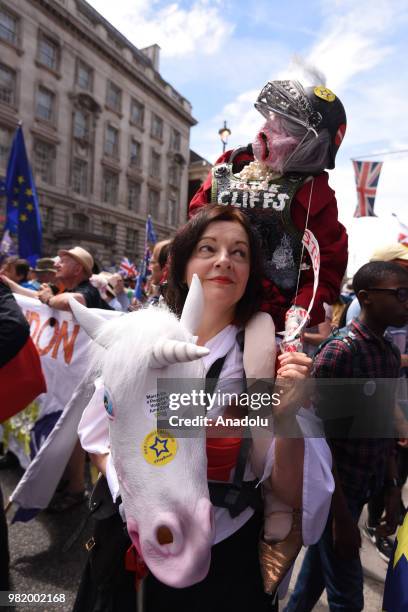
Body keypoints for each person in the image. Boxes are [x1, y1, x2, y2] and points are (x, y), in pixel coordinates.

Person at [73, 205, 333, 612]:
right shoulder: (139, 337)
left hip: (222, 554)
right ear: (181, 264)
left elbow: (285, 490)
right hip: (129, 538)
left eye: (240, 252)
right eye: (208, 247)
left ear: (250, 275)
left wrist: (287, 415)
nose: (224, 260)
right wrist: (131, 492)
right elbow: (98, 435)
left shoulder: (265, 361)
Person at [285, 261, 408, 612]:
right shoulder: (341, 353)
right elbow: (318, 444)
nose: (407, 303)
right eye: (400, 295)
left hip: (361, 488)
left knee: (310, 585)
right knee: (347, 598)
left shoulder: (386, 355)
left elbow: (381, 425)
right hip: (334, 496)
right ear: (366, 298)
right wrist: (340, 517)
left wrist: (390, 488)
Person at [190, 80, 348, 347]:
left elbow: (326, 268)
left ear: (314, 144)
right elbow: (194, 229)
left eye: (288, 125)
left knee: (260, 375)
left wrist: (298, 314)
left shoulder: (315, 192)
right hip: (208, 305)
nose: (269, 129)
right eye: (273, 118)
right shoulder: (231, 164)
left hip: (269, 322)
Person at [145, 239, 171, 306]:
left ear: (167, 266)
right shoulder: (160, 296)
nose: (149, 267)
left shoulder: (171, 303)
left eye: (153, 262)